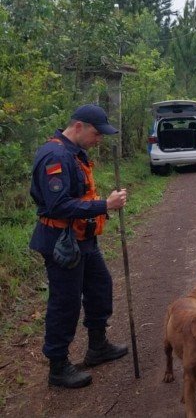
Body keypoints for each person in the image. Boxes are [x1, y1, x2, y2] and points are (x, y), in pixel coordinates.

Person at [29, 104, 129, 388]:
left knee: (101, 287)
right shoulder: (54, 157)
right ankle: (58, 367)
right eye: (96, 134)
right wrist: (105, 205)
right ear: (79, 127)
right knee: (65, 303)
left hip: (83, 239)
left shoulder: (75, 152)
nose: (99, 140)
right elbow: (58, 205)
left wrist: (101, 206)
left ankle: (97, 347)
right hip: (62, 243)